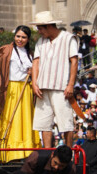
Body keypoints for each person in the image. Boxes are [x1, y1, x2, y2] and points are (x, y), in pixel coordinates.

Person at [0, 25, 41, 161]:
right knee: (9, 117)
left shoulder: (31, 54)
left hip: (25, 89)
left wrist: (32, 72)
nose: (20, 39)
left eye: (23, 37)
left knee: (25, 118)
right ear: (14, 36)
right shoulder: (6, 49)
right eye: (18, 36)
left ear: (28, 39)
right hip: (10, 88)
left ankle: (26, 150)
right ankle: (6, 151)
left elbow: (37, 69)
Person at [30, 11, 79, 148]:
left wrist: (70, 85)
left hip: (61, 87)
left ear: (48, 26)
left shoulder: (68, 38)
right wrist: (34, 83)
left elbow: (74, 62)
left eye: (40, 28)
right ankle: (47, 152)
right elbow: (36, 63)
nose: (39, 32)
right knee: (44, 123)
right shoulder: (41, 41)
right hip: (42, 87)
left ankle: (68, 152)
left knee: (65, 122)